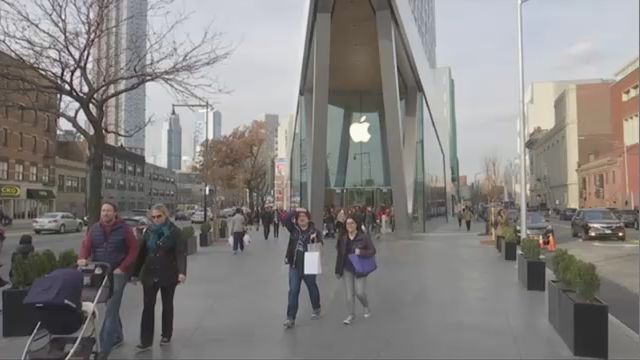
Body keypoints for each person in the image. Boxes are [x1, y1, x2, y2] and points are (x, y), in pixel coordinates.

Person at [78, 202, 138, 359]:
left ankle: (104, 348)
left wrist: (123, 267)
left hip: (118, 272)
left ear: (115, 213)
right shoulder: (95, 229)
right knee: (110, 304)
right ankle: (118, 336)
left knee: (111, 308)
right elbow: (86, 245)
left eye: (109, 211)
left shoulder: (124, 229)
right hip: (100, 272)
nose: (105, 214)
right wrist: (83, 258)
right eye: (103, 210)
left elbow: (133, 249)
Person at [132, 204, 186, 352]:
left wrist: (182, 272)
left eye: (159, 216)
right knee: (148, 306)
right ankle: (146, 340)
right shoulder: (148, 231)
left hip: (168, 273)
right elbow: (141, 253)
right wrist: (135, 274)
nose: (156, 219)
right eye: (153, 217)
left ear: (165, 215)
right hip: (149, 273)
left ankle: (166, 334)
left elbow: (180, 253)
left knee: (167, 304)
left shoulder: (175, 232)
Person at [282, 208, 323, 329]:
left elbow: (320, 244)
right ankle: (290, 318)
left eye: (304, 216)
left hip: (309, 265)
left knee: (312, 286)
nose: (301, 218)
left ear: (308, 218)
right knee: (293, 290)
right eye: (299, 216)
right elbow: (284, 219)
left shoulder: (314, 231)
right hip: (294, 265)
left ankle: (316, 307)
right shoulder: (293, 229)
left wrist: (315, 239)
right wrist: (295, 210)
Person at [335, 216, 376, 325]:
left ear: (356, 224)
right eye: (348, 224)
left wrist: (361, 252)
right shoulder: (343, 238)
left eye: (352, 223)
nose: (350, 226)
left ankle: (366, 306)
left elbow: (373, 251)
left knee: (360, 292)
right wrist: (337, 271)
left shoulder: (364, 237)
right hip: (347, 268)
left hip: (360, 268)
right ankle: (351, 315)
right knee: (349, 295)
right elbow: (339, 255)